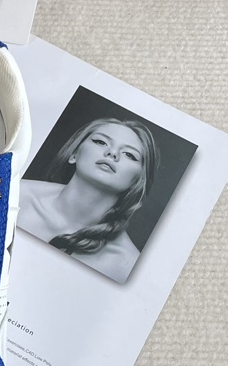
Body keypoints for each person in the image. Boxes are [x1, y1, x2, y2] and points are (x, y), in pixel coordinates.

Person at [19, 117, 159, 283]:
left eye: (129, 154)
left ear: (138, 181)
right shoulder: (15, 194)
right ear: (74, 154)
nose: (112, 153)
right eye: (101, 142)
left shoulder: (127, 267)